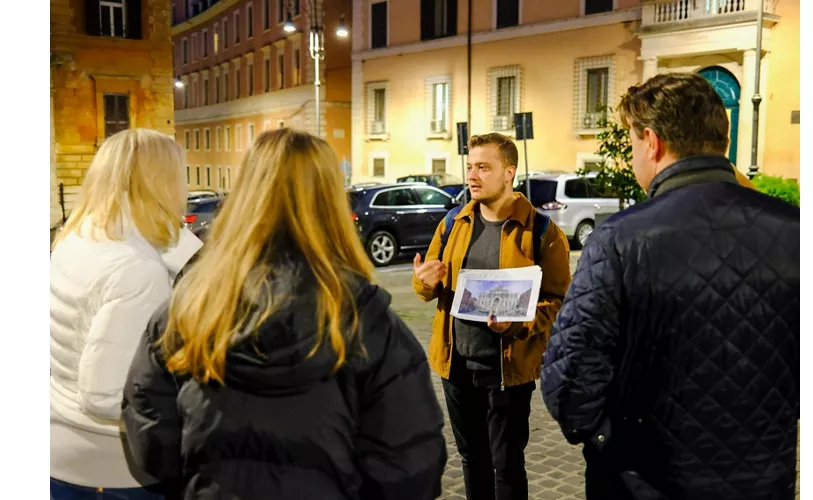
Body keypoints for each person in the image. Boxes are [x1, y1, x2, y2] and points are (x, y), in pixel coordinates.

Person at [122, 128, 448, 499]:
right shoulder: (367, 320)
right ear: (332, 202)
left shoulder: (188, 306)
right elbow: (412, 464)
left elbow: (147, 430)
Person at [541, 72, 800, 500]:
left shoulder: (620, 239)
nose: (632, 158)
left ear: (652, 141)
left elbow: (569, 383)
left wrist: (607, 440)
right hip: (763, 481)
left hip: (645, 479)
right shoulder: (797, 230)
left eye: (631, 146)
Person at [412, 133, 571, 500]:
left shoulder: (543, 233)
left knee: (507, 462)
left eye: (484, 167)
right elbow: (428, 287)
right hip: (455, 367)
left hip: (507, 369)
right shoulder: (454, 223)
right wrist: (422, 282)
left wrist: (517, 324)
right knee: (472, 459)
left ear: (509, 172)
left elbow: (559, 302)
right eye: (470, 167)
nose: (473, 175)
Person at [50, 129, 201, 499]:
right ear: (161, 182)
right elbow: (105, 395)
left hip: (61, 453)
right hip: (114, 470)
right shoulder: (137, 270)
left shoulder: (78, 238)